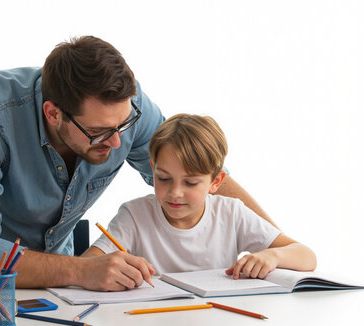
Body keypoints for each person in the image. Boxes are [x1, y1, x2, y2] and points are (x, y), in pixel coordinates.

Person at [0, 35, 277, 291]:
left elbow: (196, 169)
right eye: (99, 132)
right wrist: (82, 270)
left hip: (55, 277)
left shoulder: (125, 110)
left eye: (124, 125)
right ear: (53, 113)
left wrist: (272, 244)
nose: (117, 142)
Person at [85, 114, 316, 279]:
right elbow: (86, 265)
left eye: (191, 182)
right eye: (164, 178)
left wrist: (272, 256)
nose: (175, 192)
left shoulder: (232, 213)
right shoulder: (135, 215)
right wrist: (107, 268)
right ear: (153, 168)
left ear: (215, 182)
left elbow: (306, 256)